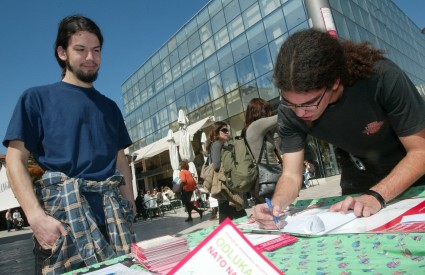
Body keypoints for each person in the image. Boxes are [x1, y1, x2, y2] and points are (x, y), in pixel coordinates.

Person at [2, 15, 136, 274]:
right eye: (81, 49)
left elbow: (120, 159)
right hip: (62, 221)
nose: (90, 57)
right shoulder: (35, 99)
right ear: (62, 53)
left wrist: (129, 206)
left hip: (114, 220)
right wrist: (36, 218)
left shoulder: (110, 107)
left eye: (96, 50)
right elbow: (14, 159)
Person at [255, 28, 425, 230]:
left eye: (309, 103)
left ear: (335, 82)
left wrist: (377, 195)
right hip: (360, 170)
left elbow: (420, 151)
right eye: (290, 102)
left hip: (412, 170)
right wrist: (277, 204)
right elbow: (291, 175)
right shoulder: (290, 112)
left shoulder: (382, 77)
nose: (299, 113)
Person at [205, 121, 247, 223]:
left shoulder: (219, 145)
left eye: (227, 130)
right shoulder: (217, 144)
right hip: (223, 185)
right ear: (216, 132)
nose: (227, 132)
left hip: (223, 186)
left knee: (230, 212)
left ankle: (228, 233)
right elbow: (216, 166)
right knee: (235, 211)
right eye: (224, 130)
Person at [242, 98, 279, 203]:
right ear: (261, 111)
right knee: (277, 212)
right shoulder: (257, 125)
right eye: (268, 110)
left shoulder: (250, 129)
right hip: (267, 178)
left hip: (261, 178)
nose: (270, 112)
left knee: (270, 213)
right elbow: (282, 117)